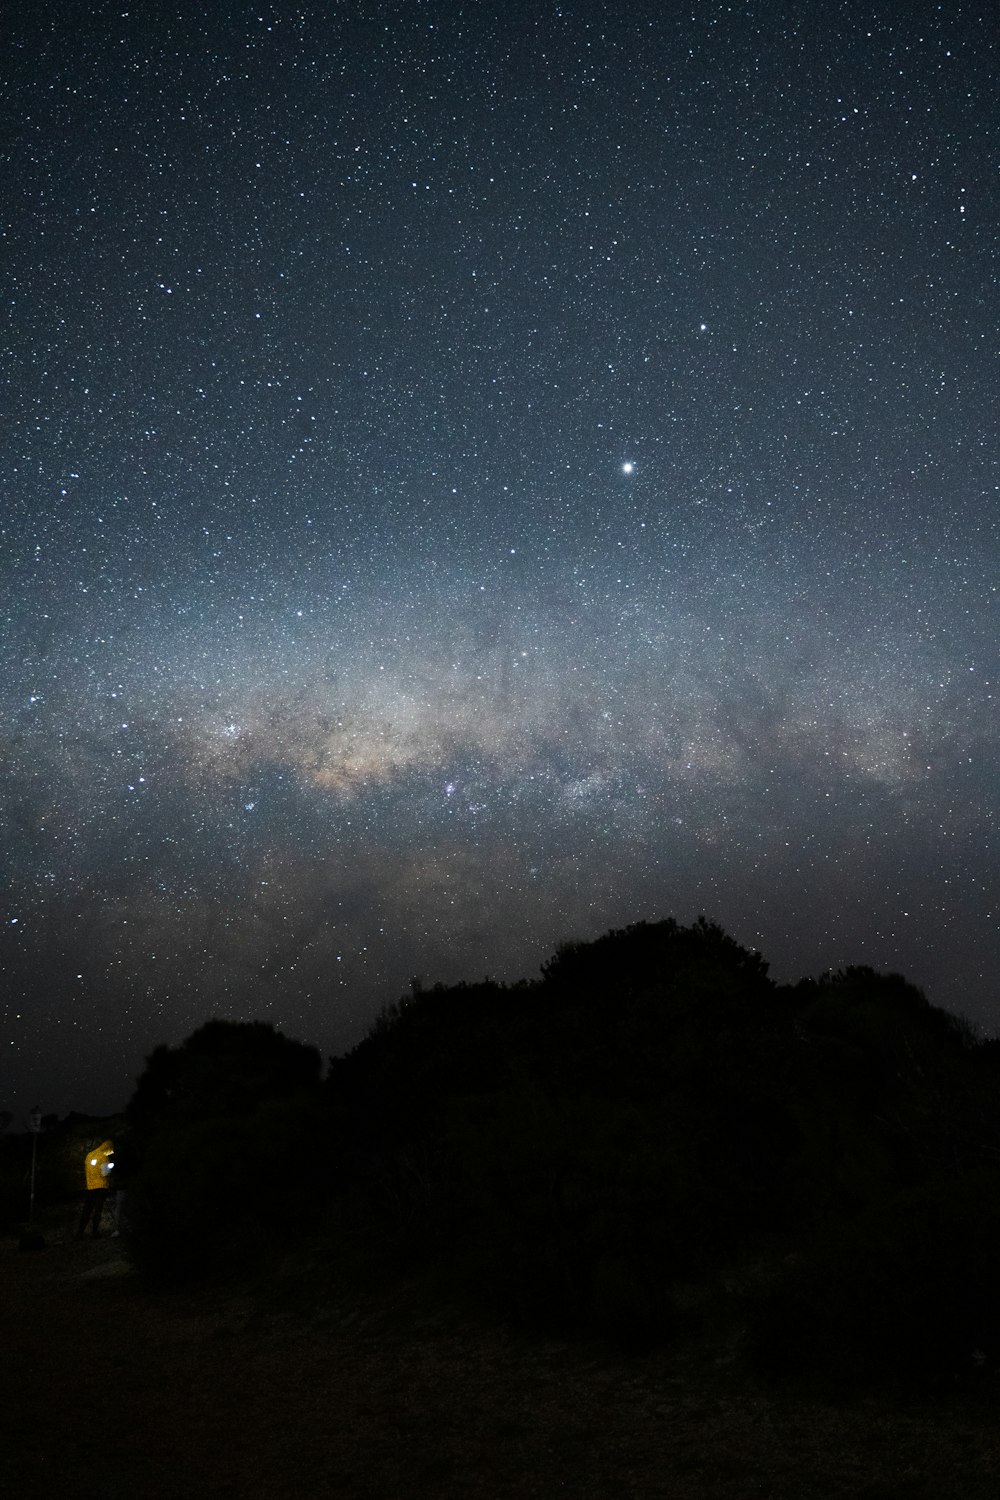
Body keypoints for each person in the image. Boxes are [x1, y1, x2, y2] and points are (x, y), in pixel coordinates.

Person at [77, 1139, 115, 1237]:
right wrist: (110, 1168)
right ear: (108, 1149)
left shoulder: (89, 1155)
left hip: (90, 1188)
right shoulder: (103, 1157)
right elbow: (105, 1173)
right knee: (97, 1211)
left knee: (87, 1210)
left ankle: (79, 1233)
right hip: (101, 1188)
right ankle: (95, 1232)